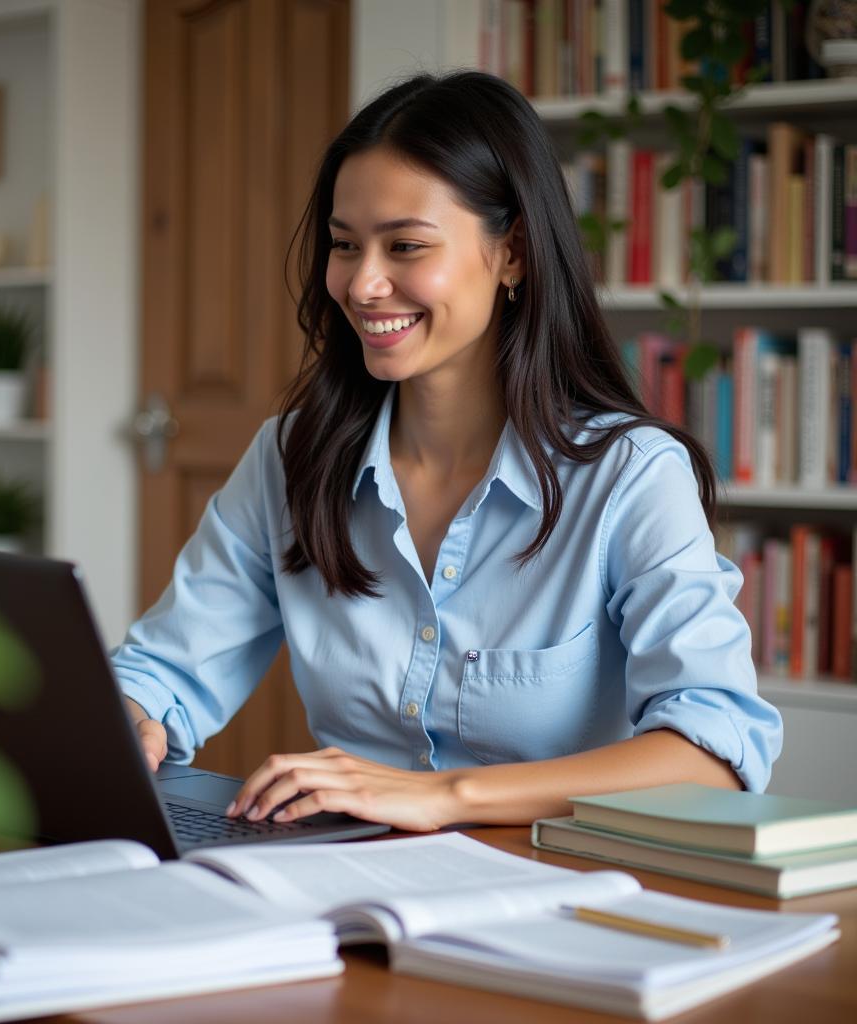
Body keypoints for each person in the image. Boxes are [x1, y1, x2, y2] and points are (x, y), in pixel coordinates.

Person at [112, 71, 781, 832]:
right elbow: (162, 667)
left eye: (405, 246)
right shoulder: (291, 459)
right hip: (339, 877)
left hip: (552, 889)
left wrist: (441, 796)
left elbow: (717, 752)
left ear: (514, 255)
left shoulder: (630, 477)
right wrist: (128, 720)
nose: (363, 284)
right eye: (343, 245)